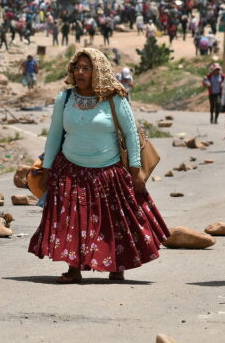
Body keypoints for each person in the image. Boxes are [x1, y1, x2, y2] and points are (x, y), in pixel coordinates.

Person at [29, 48, 169, 283]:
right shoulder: (65, 99)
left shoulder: (115, 98)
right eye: (77, 68)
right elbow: (54, 136)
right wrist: (48, 169)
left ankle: (117, 266)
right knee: (71, 221)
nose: (80, 72)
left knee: (113, 223)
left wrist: (135, 172)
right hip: (70, 169)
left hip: (108, 171)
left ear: (99, 70)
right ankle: (74, 269)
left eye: (86, 68)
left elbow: (131, 135)